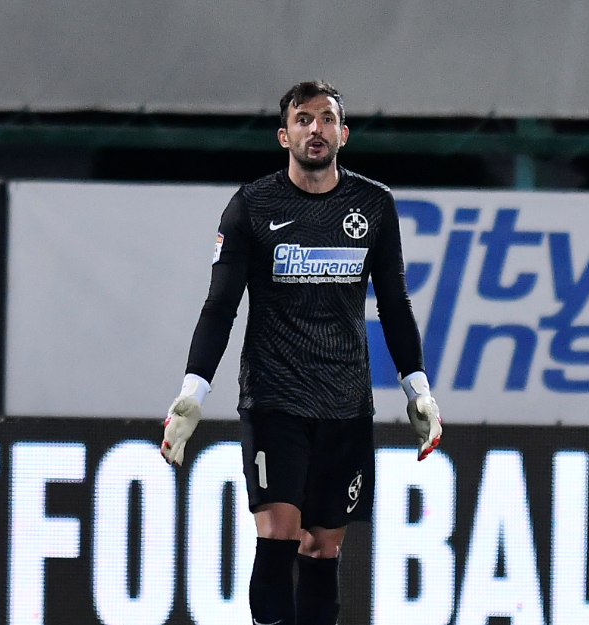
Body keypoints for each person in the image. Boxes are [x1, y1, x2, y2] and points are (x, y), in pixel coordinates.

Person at [160, 81, 442, 625]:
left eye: (327, 119)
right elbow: (221, 307)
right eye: (304, 119)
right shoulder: (251, 206)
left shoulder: (373, 205)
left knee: (322, 548)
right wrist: (192, 394)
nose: (317, 128)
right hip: (274, 399)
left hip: (345, 404)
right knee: (279, 534)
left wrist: (418, 389)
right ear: (284, 134)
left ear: (344, 133)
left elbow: (395, 304)